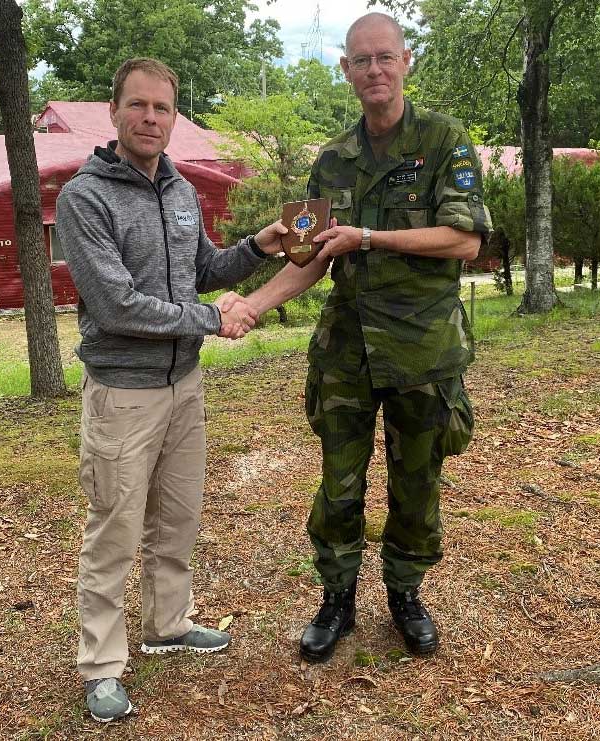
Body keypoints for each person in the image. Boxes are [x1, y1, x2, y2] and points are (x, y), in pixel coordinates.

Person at [245, 12, 492, 663]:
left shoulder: (444, 142)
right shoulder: (330, 162)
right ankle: (337, 598)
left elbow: (464, 239)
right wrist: (250, 304)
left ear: (406, 61)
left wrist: (371, 238)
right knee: (339, 485)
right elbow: (308, 257)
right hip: (347, 355)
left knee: (417, 483)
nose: (374, 70)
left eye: (385, 57)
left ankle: (406, 592)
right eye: (362, 60)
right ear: (346, 70)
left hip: (421, 350)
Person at [56, 57, 284, 722]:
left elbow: (204, 268)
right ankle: (101, 664)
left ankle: (168, 623)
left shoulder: (179, 191)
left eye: (162, 108)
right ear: (114, 110)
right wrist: (217, 318)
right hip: (122, 393)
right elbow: (118, 305)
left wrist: (259, 245)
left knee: (177, 518)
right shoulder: (85, 197)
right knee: (115, 530)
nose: (151, 118)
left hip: (184, 385)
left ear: (175, 116)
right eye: (139, 106)